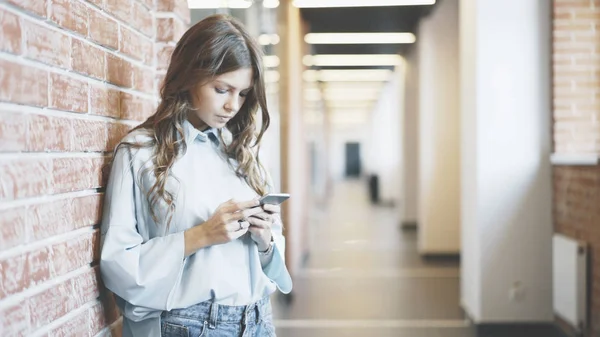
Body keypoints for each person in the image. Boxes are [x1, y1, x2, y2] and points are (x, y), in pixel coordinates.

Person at [99, 14, 292, 337]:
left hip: (258, 321)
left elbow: (274, 269)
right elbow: (118, 265)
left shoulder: (243, 153)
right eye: (222, 89)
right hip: (191, 326)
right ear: (190, 76)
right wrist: (202, 235)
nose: (233, 105)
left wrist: (265, 242)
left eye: (243, 94)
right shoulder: (140, 152)